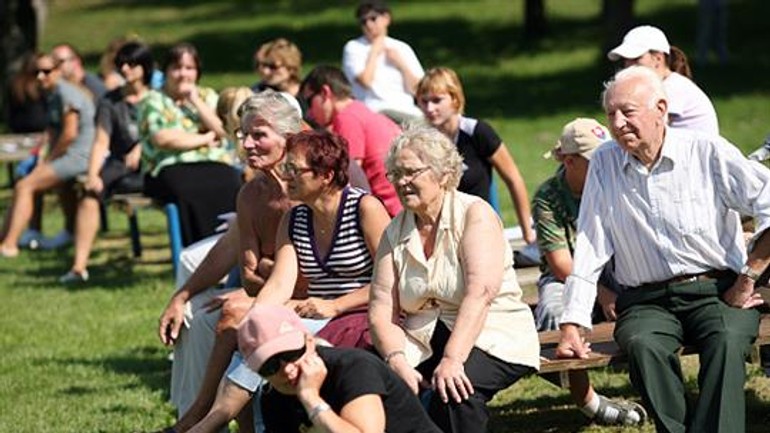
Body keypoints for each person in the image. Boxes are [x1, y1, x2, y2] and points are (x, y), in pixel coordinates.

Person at [557, 65, 770, 433]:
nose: (619, 122)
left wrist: (749, 277)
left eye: (628, 111)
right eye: (611, 114)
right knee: (642, 345)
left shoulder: (705, 150)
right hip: (645, 299)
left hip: (718, 290)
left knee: (727, 340)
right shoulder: (605, 162)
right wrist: (573, 320)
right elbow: (591, 243)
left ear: (660, 109)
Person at [167, 129, 391, 433]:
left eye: (293, 169)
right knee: (255, 329)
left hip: (361, 313)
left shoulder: (365, 209)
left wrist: (336, 305)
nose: (285, 177)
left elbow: (392, 280)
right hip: (314, 313)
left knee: (270, 343)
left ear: (325, 175)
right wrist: (257, 319)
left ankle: (207, 423)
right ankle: (221, 423)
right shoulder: (296, 218)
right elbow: (279, 284)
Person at [368, 125, 540, 433]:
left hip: (491, 331)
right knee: (374, 386)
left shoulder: (474, 214)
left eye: (410, 172)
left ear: (444, 174)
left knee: (457, 391)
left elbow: (480, 293)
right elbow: (381, 309)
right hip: (424, 337)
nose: (401, 182)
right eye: (395, 174)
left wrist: (452, 359)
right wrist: (396, 361)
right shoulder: (395, 231)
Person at [532, 118, 646, 425]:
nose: (607, 161)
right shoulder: (548, 197)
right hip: (566, 277)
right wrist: (601, 291)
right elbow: (559, 264)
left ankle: (652, 383)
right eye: (596, 158)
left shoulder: (617, 181)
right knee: (556, 316)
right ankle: (590, 402)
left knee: (651, 308)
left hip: (617, 269)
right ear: (569, 161)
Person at [234, 304, 442, 433]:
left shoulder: (353, 368)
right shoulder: (274, 400)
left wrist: (310, 398)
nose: (287, 370)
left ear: (309, 341)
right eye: (270, 366)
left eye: (291, 354)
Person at [58, 41, 153, 284]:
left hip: (156, 161)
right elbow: (101, 141)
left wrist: (141, 147)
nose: (125, 68)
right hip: (120, 163)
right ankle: (79, 267)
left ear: (144, 67)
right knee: (90, 194)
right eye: (121, 63)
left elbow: (162, 131)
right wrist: (92, 174)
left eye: (131, 64)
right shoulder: (110, 102)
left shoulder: (156, 98)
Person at [415, 67, 535, 243]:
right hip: (442, 232)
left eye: (437, 100)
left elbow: (513, 179)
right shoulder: (422, 140)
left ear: (455, 99)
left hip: (479, 226)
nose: (430, 108)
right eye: (424, 101)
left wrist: (527, 232)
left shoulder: (478, 132)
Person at [138, 42, 242, 246]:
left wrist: (195, 101)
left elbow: (223, 131)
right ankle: (199, 248)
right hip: (169, 166)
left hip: (214, 162)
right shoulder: (153, 100)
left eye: (189, 68)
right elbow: (163, 139)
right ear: (166, 71)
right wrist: (204, 138)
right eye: (176, 68)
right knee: (188, 187)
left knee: (231, 181)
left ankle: (231, 246)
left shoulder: (207, 96)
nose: (183, 74)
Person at [0, 53, 95, 258]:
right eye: (36, 72)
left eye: (46, 71)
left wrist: (48, 161)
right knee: (26, 177)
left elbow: (69, 135)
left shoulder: (66, 94)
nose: (41, 76)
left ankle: (9, 244)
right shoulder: (53, 94)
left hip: (81, 156)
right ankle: (62, 232)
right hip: (68, 154)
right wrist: (40, 156)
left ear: (58, 71)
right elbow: (52, 131)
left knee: (25, 186)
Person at [301, 65, 402, 217]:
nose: (308, 112)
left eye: (309, 101)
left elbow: (348, 178)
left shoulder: (347, 119)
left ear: (325, 93)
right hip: (399, 206)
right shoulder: (361, 111)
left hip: (387, 214)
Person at [608, 25, 719, 135]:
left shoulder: (672, 89)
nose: (629, 66)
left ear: (658, 58)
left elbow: (649, 133)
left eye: (636, 59)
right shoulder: (667, 85)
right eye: (626, 60)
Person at [341, 0, 424, 123]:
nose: (369, 25)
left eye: (373, 18)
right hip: (375, 109)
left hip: (407, 110)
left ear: (386, 18)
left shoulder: (402, 47)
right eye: (363, 22)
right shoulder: (354, 48)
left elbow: (419, 90)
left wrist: (401, 64)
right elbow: (366, 81)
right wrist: (374, 52)